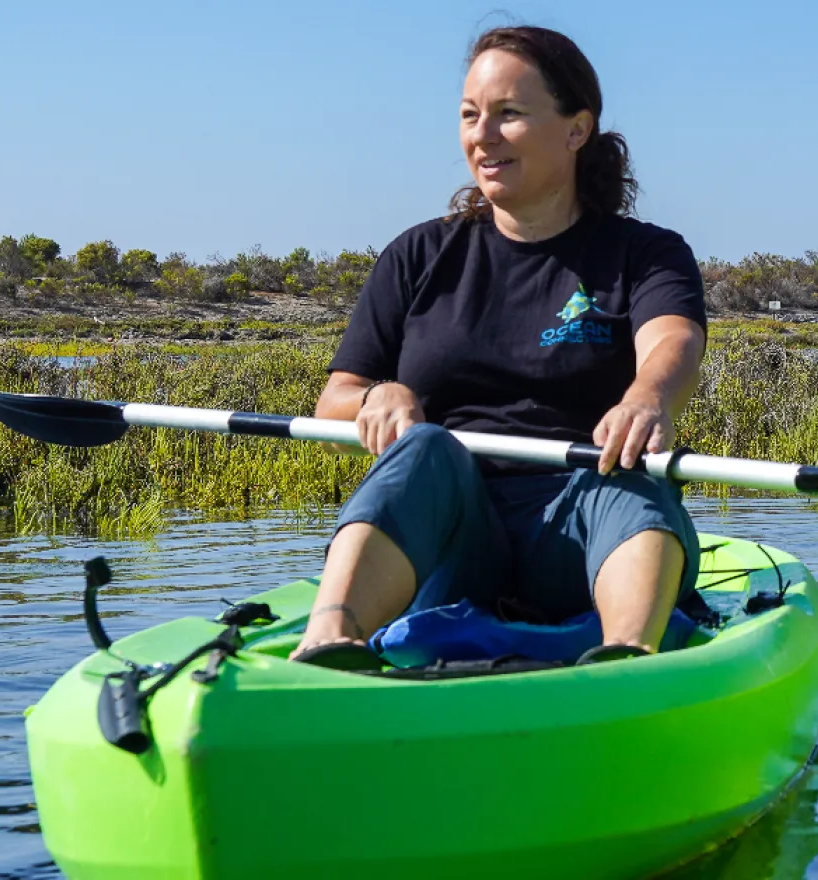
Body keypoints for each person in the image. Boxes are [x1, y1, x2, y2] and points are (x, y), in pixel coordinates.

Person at [289, 25, 707, 667]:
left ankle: (627, 656)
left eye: (509, 114)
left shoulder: (646, 253)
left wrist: (647, 397)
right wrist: (381, 393)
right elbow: (336, 400)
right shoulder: (416, 256)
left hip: (586, 525)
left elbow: (671, 339)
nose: (481, 135)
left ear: (576, 130)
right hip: (454, 542)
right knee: (427, 446)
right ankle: (326, 646)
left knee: (624, 464)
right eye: (469, 115)